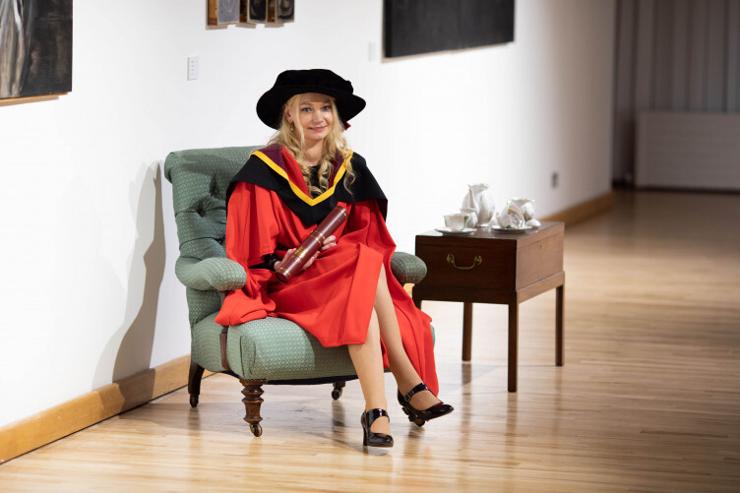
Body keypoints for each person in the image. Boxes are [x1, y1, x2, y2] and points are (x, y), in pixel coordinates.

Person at [215, 69, 453, 448]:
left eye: (325, 108)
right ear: (289, 115)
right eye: (306, 108)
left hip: (341, 275)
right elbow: (251, 252)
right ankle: (407, 383)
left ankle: (378, 410)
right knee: (363, 263)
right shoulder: (262, 171)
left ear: (337, 115)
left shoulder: (350, 166)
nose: (318, 117)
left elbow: (367, 235)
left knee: (362, 259)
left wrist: (332, 247)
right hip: (289, 282)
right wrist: (289, 256)